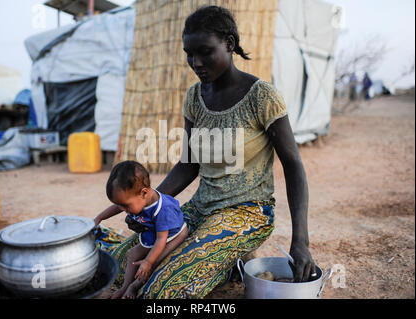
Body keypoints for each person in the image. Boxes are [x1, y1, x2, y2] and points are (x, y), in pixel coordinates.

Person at [96, 5, 315, 298]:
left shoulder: (262, 97)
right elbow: (188, 165)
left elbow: (293, 166)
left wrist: (301, 240)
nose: (195, 62)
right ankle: (225, 264)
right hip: (200, 208)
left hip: (246, 214)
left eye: (205, 51)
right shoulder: (195, 98)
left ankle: (222, 262)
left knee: (162, 288)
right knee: (123, 264)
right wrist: (149, 205)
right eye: (189, 53)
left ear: (229, 43)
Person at [94, 160, 188, 299]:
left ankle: (133, 287)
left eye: (125, 206)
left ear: (144, 193)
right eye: (120, 205)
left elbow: (161, 239)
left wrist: (148, 262)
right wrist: (100, 218)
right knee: (132, 254)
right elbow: (117, 206)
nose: (122, 210)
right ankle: (125, 287)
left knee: (153, 262)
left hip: (173, 236)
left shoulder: (163, 209)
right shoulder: (136, 198)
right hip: (153, 231)